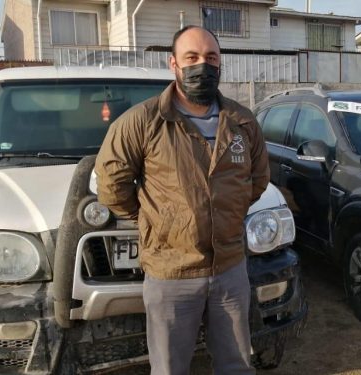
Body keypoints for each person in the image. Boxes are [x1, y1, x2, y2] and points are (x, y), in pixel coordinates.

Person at [95, 25, 269, 375]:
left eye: (211, 58)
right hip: (171, 271)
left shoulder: (242, 121)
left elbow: (257, 181)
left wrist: (226, 215)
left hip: (230, 269)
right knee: (170, 368)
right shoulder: (142, 122)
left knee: (236, 364)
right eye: (191, 57)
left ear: (220, 65)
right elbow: (112, 185)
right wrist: (157, 220)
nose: (201, 65)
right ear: (173, 63)